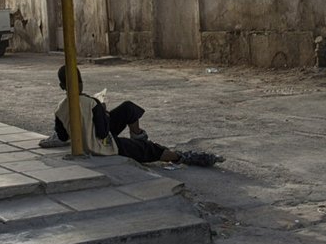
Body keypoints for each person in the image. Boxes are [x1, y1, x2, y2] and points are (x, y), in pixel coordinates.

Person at [39, 65, 224, 167]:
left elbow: (63, 137)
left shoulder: (60, 109)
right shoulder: (91, 103)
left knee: (128, 108)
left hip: (88, 140)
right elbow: (103, 134)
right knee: (146, 148)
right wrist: (102, 111)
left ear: (61, 87)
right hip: (101, 146)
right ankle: (181, 157)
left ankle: (137, 134)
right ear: (81, 83)